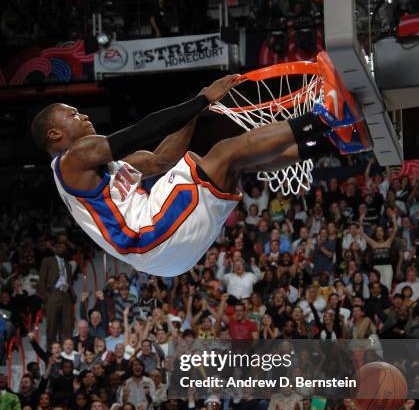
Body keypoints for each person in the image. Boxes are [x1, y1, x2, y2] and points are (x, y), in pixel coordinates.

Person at [31, 52, 370, 278]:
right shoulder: (71, 159)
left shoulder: (104, 170)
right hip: (151, 239)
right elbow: (141, 131)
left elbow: (163, 158)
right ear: (55, 132)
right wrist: (201, 99)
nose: (85, 115)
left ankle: (334, 142)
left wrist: (195, 109)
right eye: (74, 114)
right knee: (224, 152)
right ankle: (323, 118)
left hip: (162, 254)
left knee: (229, 164)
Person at [38, 240, 76, 347]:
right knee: (52, 325)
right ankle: (51, 353)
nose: (62, 249)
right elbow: (42, 281)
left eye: (64, 248)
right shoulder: (48, 261)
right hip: (53, 294)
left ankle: (67, 352)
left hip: (66, 295)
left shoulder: (68, 265)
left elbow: (69, 281)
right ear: (55, 249)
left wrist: (72, 294)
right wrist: (47, 297)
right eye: (60, 247)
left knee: (67, 327)